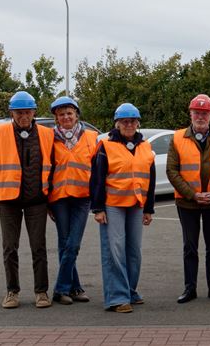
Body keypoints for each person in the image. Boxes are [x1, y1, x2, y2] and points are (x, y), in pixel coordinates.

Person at [0, 91, 54, 309]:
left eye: (27, 112)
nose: (23, 116)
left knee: (39, 247)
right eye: (19, 112)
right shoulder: (0, 132)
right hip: (8, 200)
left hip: (37, 200)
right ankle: (12, 292)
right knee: (10, 248)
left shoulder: (47, 134)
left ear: (34, 112)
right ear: (11, 113)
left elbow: (53, 168)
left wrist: (51, 199)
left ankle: (41, 292)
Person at [167, 94, 210, 304]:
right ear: (190, 113)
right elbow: (172, 171)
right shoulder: (178, 138)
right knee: (190, 247)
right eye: (197, 112)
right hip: (187, 202)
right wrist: (192, 194)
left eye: (205, 113)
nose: (200, 117)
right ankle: (190, 288)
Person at [90, 103, 155, 313]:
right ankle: (117, 297)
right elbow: (97, 178)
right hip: (113, 205)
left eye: (132, 121)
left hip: (136, 204)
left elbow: (151, 179)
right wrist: (98, 208)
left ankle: (130, 290)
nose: (129, 125)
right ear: (117, 124)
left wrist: (148, 209)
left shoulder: (145, 147)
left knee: (134, 251)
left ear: (138, 123)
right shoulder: (106, 146)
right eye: (124, 122)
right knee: (115, 250)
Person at [48, 96, 97, 305]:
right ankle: (75, 288)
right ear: (56, 118)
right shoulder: (49, 138)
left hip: (82, 198)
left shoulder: (92, 137)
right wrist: (47, 201)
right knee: (65, 243)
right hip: (59, 198)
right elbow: (46, 170)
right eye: (61, 114)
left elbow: (98, 169)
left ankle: (61, 289)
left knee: (73, 244)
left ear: (77, 115)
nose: (66, 117)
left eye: (69, 113)